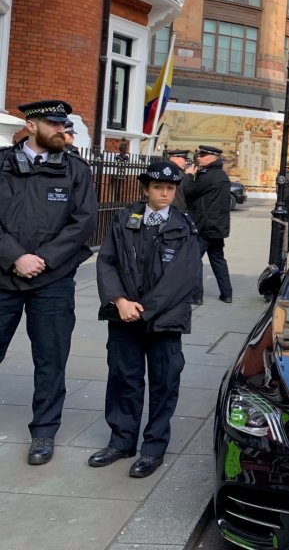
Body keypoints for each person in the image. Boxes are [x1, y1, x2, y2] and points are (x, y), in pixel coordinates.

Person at [0, 100, 97, 465]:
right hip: (3, 276)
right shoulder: (2, 164)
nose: (62, 130)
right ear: (31, 125)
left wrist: (43, 260)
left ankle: (44, 431)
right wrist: (15, 257)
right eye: (54, 124)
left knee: (51, 359)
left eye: (64, 124)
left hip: (52, 280)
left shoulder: (76, 170)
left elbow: (84, 221)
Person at [90, 160, 201, 478]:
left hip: (165, 319)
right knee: (123, 378)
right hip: (125, 316)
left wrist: (142, 309)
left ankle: (153, 448)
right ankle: (122, 441)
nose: (164, 193)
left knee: (164, 383)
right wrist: (120, 301)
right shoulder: (126, 218)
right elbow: (107, 261)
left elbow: (183, 278)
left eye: (170, 188)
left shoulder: (184, 226)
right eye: (158, 187)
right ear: (146, 188)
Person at [184, 145, 232, 304]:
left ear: (212, 158)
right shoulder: (222, 175)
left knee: (193, 261)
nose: (199, 157)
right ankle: (227, 294)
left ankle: (196, 296)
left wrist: (189, 176)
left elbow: (188, 191)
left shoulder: (208, 176)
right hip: (217, 226)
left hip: (204, 226)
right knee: (218, 260)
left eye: (202, 155)